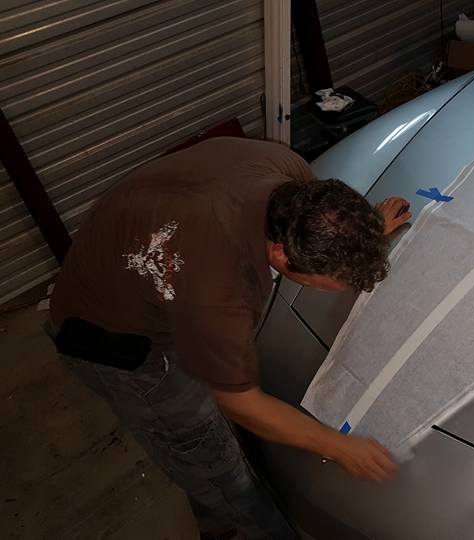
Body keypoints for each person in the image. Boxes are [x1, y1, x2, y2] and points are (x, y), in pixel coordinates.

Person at [48, 137, 412, 540]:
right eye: (329, 285)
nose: (336, 291)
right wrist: (341, 447)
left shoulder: (287, 173)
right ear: (280, 256)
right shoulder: (220, 289)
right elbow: (242, 404)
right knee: (212, 462)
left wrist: (367, 235)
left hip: (139, 256)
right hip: (118, 343)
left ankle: (214, 521)